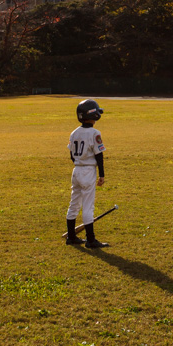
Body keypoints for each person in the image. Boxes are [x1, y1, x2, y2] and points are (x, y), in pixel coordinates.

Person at [67, 99, 107, 247]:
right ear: (92, 114)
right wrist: (102, 175)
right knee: (88, 206)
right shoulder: (94, 133)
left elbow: (72, 155)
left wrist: (79, 163)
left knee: (74, 204)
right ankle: (90, 240)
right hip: (88, 171)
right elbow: (99, 155)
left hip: (76, 170)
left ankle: (71, 237)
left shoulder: (74, 133)